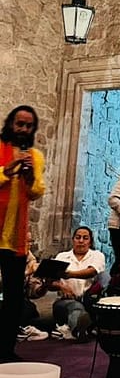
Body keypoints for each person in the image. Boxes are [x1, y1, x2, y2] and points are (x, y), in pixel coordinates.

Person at [0, 105, 45, 362]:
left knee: (14, 298)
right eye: (20, 124)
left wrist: (28, 177)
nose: (23, 129)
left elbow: (37, 191)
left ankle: (5, 351)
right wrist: (8, 169)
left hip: (15, 238)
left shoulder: (35, 156)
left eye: (28, 126)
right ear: (10, 124)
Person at [49, 226, 107, 341]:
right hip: (66, 301)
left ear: (90, 241)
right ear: (73, 240)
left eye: (85, 238)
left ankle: (87, 325)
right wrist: (62, 286)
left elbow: (92, 271)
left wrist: (69, 274)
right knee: (75, 307)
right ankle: (79, 330)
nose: (81, 241)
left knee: (105, 277)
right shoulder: (62, 257)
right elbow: (50, 282)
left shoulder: (97, 255)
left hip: (89, 299)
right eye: (78, 237)